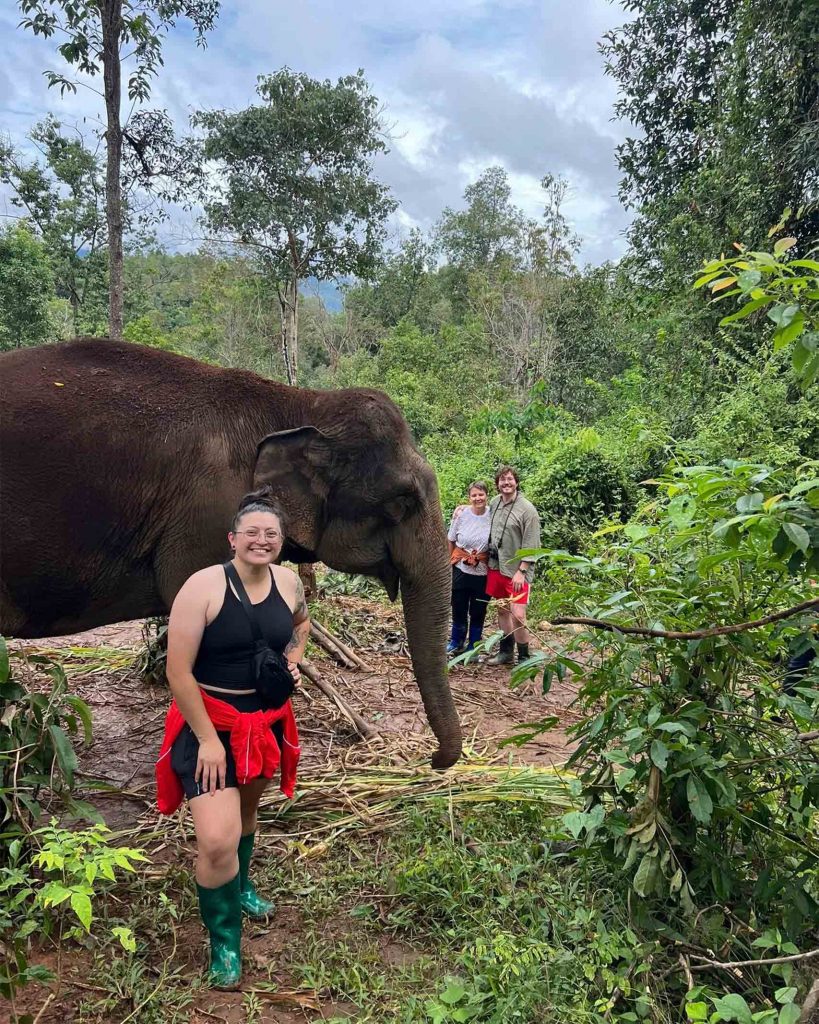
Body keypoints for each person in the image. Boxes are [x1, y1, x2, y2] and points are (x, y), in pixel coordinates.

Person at [155, 487, 309, 988]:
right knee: (216, 840)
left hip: (264, 723)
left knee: (246, 812)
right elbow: (177, 672)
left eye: (271, 534)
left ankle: (241, 886)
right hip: (211, 723)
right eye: (252, 533)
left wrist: (292, 664)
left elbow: (302, 624)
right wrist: (208, 739)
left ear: (281, 542)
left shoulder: (288, 583)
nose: (261, 541)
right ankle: (225, 942)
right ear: (233, 539)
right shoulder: (202, 587)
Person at [485, 465, 541, 666]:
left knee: (518, 614)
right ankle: (505, 652)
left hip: (517, 570)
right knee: (502, 609)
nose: (506, 483)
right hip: (496, 565)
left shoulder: (527, 510)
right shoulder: (494, 503)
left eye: (510, 479)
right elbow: (480, 512)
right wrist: (462, 509)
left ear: (516, 482)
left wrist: (522, 571)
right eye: (502, 480)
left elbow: (532, 544)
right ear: (497, 484)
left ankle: (524, 657)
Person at [447, 481, 491, 654]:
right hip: (460, 568)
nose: (477, 498)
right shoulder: (461, 515)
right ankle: (456, 641)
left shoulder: (493, 514)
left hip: (483, 570)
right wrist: (450, 562)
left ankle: (474, 645)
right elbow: (451, 539)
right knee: (458, 605)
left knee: (479, 609)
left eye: (481, 495)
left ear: (487, 496)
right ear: (469, 497)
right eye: (474, 495)